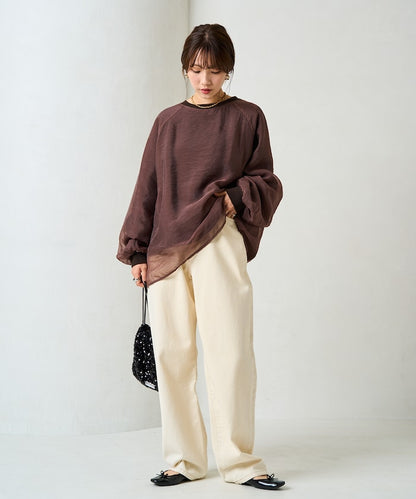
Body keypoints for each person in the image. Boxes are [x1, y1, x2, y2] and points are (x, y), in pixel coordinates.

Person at [117, 24, 284, 491]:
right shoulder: (167, 121)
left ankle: (241, 463)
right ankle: (183, 460)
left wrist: (234, 198)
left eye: (214, 69)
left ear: (228, 69)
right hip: (166, 250)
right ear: (185, 70)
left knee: (231, 352)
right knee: (172, 355)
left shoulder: (247, 117)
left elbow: (267, 179)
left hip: (218, 240)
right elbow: (147, 186)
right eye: (195, 69)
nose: (205, 79)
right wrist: (136, 249)